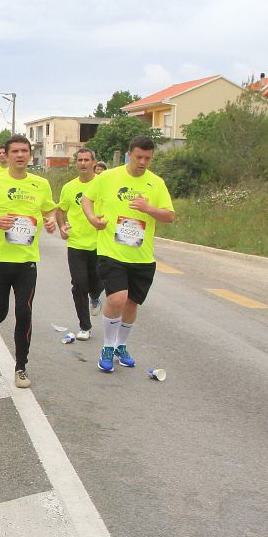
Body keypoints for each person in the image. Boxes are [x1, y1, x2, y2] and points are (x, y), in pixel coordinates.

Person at [0, 135, 57, 389]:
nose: (20, 155)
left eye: (24, 151)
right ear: (5, 155)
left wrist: (50, 220)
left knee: (24, 312)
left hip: (26, 261)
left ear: (30, 155)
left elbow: (49, 209)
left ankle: (21, 367)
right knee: (0, 312)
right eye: (15, 151)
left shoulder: (40, 184)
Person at [81, 135, 175, 374]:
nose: (143, 162)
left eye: (148, 158)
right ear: (129, 155)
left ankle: (121, 346)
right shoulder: (109, 177)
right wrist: (93, 219)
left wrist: (148, 208)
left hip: (142, 256)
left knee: (132, 303)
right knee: (117, 299)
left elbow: (169, 216)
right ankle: (107, 348)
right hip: (112, 251)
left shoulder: (156, 183)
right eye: (139, 157)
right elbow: (87, 199)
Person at [55, 147, 103, 339]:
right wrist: (62, 227)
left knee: (98, 282)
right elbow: (61, 210)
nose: (83, 163)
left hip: (101, 242)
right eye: (79, 160)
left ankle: (96, 296)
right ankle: (85, 326)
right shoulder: (69, 187)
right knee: (79, 284)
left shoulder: (104, 184)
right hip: (76, 243)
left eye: (86, 160)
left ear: (94, 163)